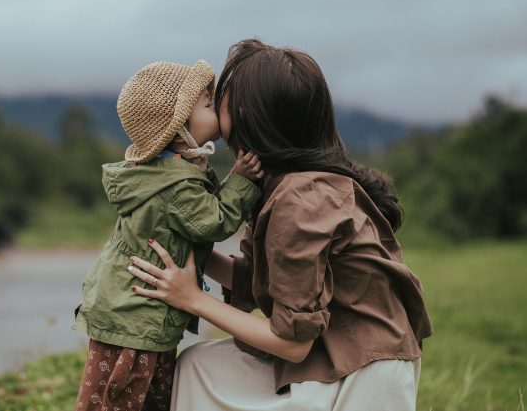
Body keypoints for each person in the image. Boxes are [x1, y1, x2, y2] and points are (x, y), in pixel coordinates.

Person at [127, 39, 433, 411]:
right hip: (335, 352)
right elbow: (263, 280)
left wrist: (193, 298)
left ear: (244, 112)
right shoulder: (286, 183)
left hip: (362, 374)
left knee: (201, 370)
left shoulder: (300, 198)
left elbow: (292, 340)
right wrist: (184, 248)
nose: (212, 105)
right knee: (197, 367)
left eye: (217, 98)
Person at [72, 59, 264, 411]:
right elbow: (214, 222)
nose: (216, 106)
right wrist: (242, 182)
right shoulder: (173, 183)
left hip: (135, 313)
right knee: (125, 398)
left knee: (143, 396)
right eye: (208, 104)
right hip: (135, 319)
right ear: (178, 130)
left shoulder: (169, 172)